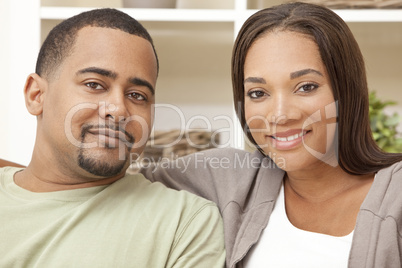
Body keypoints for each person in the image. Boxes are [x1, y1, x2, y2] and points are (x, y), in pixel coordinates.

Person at [139, 2, 402, 268]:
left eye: (305, 87)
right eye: (258, 93)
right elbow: (115, 189)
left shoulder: (395, 196)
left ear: (345, 89)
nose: (279, 115)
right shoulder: (225, 179)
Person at [0, 8, 225, 267]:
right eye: (94, 84)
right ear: (37, 95)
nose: (118, 109)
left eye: (137, 95)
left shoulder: (184, 222)